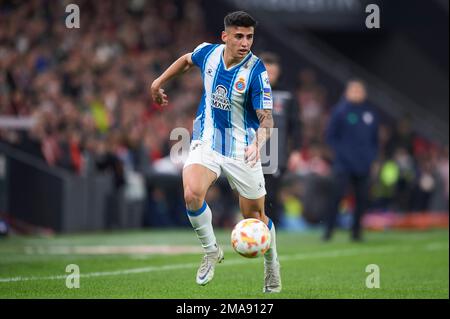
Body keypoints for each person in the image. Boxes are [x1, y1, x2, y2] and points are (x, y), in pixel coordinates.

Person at [150, 11, 281, 293]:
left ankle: (271, 265)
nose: (245, 42)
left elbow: (267, 118)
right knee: (191, 193)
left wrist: (257, 144)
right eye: (239, 36)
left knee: (255, 217)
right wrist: (157, 82)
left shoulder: (256, 71)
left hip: (242, 149)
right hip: (206, 141)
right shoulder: (207, 53)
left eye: (250, 37)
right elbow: (186, 60)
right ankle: (211, 250)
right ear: (225, 36)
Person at [324, 79, 379, 242]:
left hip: (364, 164)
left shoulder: (371, 113)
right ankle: (328, 231)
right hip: (343, 163)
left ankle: (357, 232)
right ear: (347, 92)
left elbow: (375, 140)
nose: (356, 93)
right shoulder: (339, 111)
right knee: (336, 197)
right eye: (353, 90)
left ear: (364, 93)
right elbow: (330, 136)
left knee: (362, 199)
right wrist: (340, 154)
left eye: (359, 90)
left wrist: (372, 158)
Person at [258, 52, 301, 225]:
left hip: (276, 152)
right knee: (252, 193)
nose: (270, 77)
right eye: (267, 73)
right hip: (251, 151)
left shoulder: (287, 95)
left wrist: (296, 151)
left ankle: (270, 230)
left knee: (271, 194)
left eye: (273, 73)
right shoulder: (248, 92)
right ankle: (254, 227)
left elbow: (296, 124)